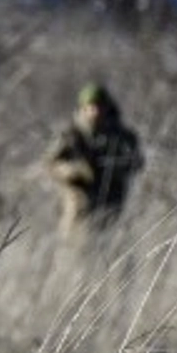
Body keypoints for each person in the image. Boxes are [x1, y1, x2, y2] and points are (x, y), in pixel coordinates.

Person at [46, 82, 143, 239]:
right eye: (90, 107)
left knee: (113, 253)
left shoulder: (121, 135)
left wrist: (114, 167)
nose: (95, 111)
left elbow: (136, 162)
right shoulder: (71, 134)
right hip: (79, 208)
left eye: (99, 106)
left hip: (113, 206)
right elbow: (51, 164)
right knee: (74, 254)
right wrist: (75, 170)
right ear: (82, 108)